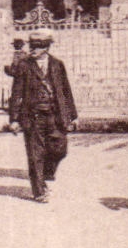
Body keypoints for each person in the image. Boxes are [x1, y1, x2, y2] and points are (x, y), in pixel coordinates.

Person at [7, 27, 77, 203]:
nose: (32, 49)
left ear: (46, 47)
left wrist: (72, 115)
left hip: (55, 114)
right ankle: (39, 191)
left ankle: (47, 173)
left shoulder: (57, 64)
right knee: (35, 154)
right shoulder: (24, 65)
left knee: (60, 149)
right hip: (33, 116)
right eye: (32, 45)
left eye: (37, 46)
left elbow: (65, 90)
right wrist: (14, 119)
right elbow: (16, 93)